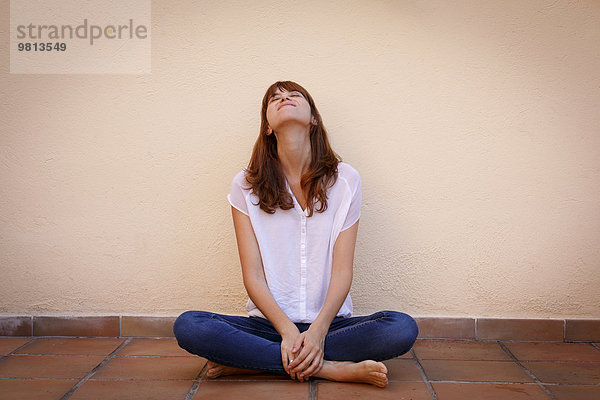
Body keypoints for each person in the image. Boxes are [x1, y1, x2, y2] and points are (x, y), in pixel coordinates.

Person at [173, 80, 418, 388]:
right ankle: (328, 368)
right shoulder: (245, 185)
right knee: (191, 326)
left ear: (313, 118)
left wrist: (316, 332)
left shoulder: (345, 180)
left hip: (331, 327)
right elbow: (253, 276)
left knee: (400, 328)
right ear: (267, 126)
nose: (284, 98)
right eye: (274, 98)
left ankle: (253, 364)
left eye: (294, 95)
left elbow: (342, 271)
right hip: (268, 326)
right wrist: (288, 332)